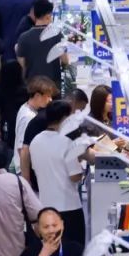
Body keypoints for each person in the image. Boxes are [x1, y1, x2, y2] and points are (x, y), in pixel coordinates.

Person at [26, 102, 87, 246]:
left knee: (50, 251)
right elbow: (75, 176)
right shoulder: (67, 143)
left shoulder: (35, 141)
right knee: (73, 252)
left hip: (45, 207)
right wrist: (82, 167)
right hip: (69, 208)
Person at [13, 77, 57, 176]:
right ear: (37, 96)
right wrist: (26, 178)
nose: (50, 100)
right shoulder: (28, 117)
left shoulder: (26, 107)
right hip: (25, 169)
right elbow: (22, 149)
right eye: (48, 96)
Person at [16, 0, 68, 82]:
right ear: (48, 16)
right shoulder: (57, 35)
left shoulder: (23, 37)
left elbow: (22, 62)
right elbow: (65, 60)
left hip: (32, 82)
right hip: (52, 82)